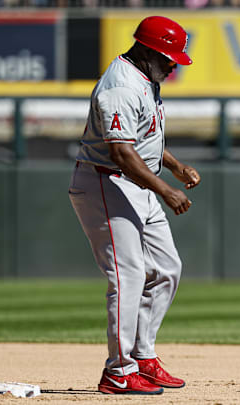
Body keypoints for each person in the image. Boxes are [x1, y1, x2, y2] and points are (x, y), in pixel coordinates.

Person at [68, 16, 200, 395]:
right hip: (106, 182)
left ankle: (143, 356)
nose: (174, 64)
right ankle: (119, 370)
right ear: (145, 50)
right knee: (127, 276)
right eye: (168, 57)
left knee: (167, 269)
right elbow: (122, 153)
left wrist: (174, 167)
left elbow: (145, 138)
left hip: (137, 183)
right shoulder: (121, 86)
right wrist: (166, 190)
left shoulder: (144, 78)